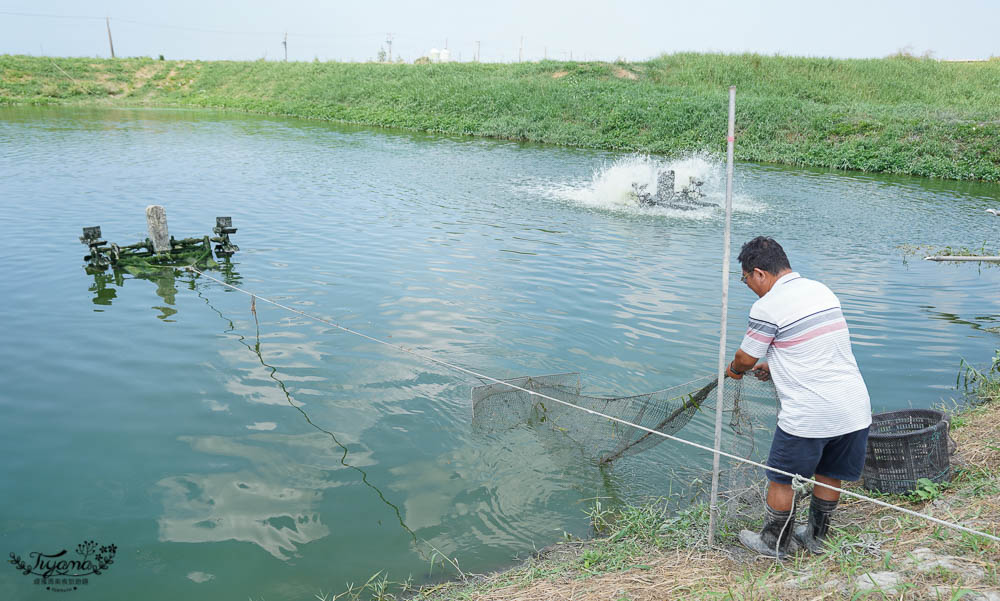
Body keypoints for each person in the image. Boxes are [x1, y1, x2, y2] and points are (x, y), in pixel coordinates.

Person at [726, 236, 872, 557]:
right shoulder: (821, 290)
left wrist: (736, 369)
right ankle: (817, 538)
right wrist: (774, 367)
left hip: (809, 414)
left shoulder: (767, 305)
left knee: (780, 479)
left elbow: (745, 358)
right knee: (830, 472)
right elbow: (810, 349)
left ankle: (774, 543)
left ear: (760, 273)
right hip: (854, 408)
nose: (748, 285)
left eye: (746, 278)